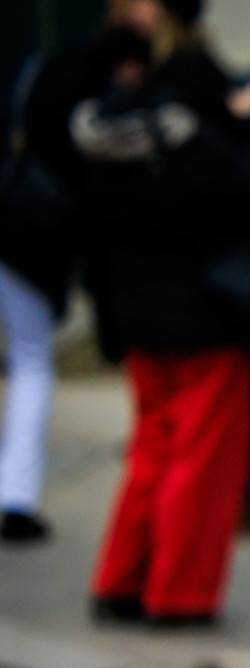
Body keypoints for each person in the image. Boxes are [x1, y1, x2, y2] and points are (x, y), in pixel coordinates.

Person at [77, 0, 250, 625]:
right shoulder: (197, 134)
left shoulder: (101, 129)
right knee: (201, 459)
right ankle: (178, 593)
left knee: (150, 454)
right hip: (206, 313)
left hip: (135, 309)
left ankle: (121, 580)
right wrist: (248, 124)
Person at [0, 11, 135, 544]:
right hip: (31, 245)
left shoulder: (41, 69)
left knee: (27, 359)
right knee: (32, 361)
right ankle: (16, 496)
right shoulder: (96, 106)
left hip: (10, 219)